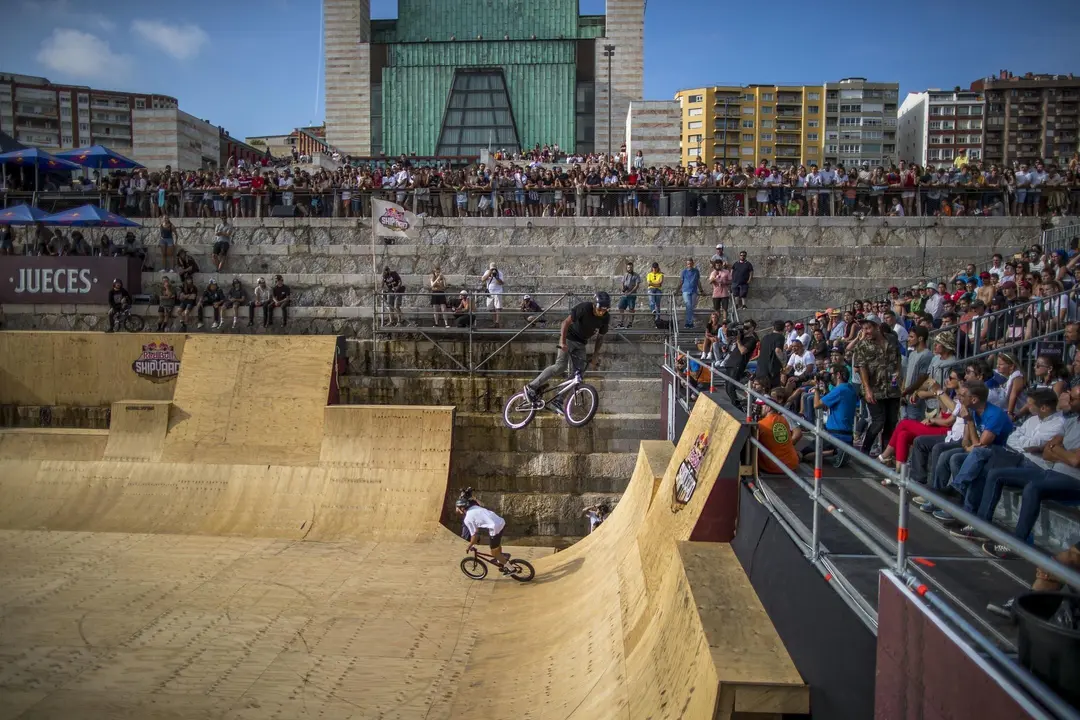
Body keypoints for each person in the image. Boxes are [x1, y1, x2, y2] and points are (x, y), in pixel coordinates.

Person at [524, 292, 610, 404]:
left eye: (604, 310)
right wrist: (562, 342)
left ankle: (558, 399)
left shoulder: (605, 317)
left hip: (581, 343)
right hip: (568, 338)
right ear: (594, 305)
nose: (601, 313)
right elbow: (565, 323)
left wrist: (595, 355)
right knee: (560, 366)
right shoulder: (584, 308)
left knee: (578, 374)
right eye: (599, 310)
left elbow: (601, 337)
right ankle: (532, 386)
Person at [455, 490, 512, 573]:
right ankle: (500, 558)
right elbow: (476, 529)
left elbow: (474, 536)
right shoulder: (475, 507)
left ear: (462, 508)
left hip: (494, 527)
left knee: (494, 553)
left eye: (458, 508)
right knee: (496, 545)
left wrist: (469, 546)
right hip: (500, 522)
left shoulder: (468, 519)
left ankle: (511, 568)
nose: (458, 510)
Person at [813, 365, 858, 466]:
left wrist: (816, 388)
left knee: (804, 454)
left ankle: (835, 452)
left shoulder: (839, 390)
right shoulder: (850, 388)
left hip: (834, 434)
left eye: (830, 374)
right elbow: (830, 404)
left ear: (838, 375)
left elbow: (817, 405)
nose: (829, 377)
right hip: (847, 434)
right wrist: (825, 385)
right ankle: (840, 450)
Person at [757, 388, 802, 474]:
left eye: (762, 406)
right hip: (792, 464)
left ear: (768, 408)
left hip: (773, 467)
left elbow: (798, 433)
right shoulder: (783, 419)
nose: (760, 408)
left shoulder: (761, 424)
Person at [756, 320, 787, 389]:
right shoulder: (780, 337)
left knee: (762, 387)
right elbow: (778, 350)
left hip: (761, 366)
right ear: (783, 329)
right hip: (771, 368)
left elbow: (760, 350)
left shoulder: (765, 337)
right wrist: (783, 362)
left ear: (773, 327)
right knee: (772, 388)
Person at [680, 258, 702, 329]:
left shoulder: (696, 271)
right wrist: (677, 290)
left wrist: (701, 290)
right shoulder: (684, 272)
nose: (689, 265)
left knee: (691, 307)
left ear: (693, 264)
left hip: (694, 291)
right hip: (686, 290)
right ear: (686, 264)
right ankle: (689, 323)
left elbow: (698, 282)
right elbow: (681, 282)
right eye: (688, 264)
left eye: (690, 264)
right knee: (688, 305)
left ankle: (689, 323)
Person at [617, 261, 640, 329]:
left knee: (631, 309)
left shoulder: (636, 275)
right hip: (624, 295)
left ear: (632, 268)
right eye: (628, 267)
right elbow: (622, 283)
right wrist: (623, 289)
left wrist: (631, 292)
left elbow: (637, 285)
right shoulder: (625, 275)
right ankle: (621, 322)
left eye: (630, 267)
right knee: (621, 307)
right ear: (626, 268)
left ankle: (630, 323)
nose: (629, 269)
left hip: (632, 295)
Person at [481, 261, 505, 327]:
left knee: (498, 307)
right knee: (490, 308)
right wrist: (489, 274)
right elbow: (482, 279)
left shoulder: (499, 273)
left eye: (494, 269)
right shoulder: (487, 272)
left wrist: (496, 277)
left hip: (498, 292)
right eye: (492, 269)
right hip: (490, 292)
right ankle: (495, 322)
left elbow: (502, 283)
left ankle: (497, 322)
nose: (493, 270)